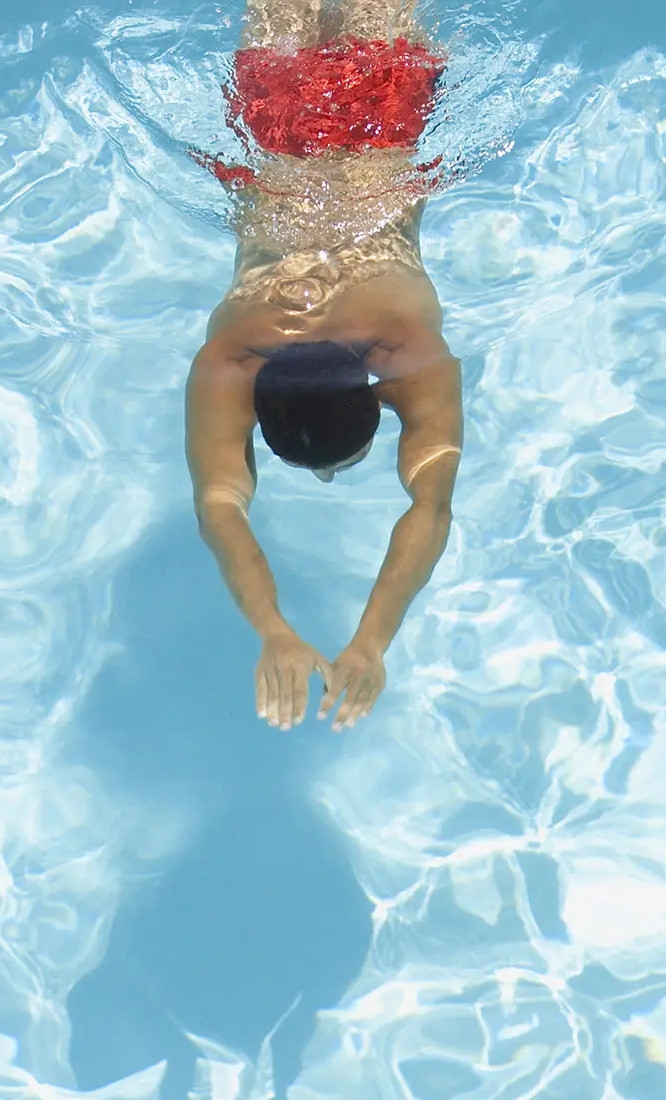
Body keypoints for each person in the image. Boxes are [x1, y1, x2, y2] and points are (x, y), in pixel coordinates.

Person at [185, 0, 465, 733]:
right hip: (277, 133)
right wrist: (271, 629)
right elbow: (219, 507)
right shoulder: (231, 356)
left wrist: (371, 643)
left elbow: (430, 509)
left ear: (380, 399)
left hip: (383, 128)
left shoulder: (411, 353)